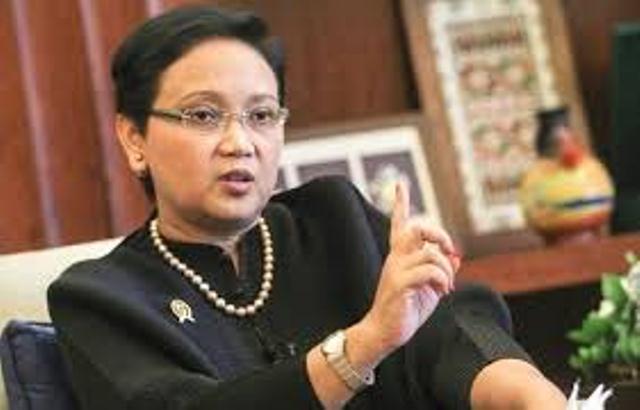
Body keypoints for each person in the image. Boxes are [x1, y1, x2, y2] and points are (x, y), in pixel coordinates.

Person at [48, 5, 567, 409]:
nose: (239, 143)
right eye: (204, 116)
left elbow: (447, 333)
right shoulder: (99, 299)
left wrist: (528, 393)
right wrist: (364, 344)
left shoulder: (333, 218)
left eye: (261, 115)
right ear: (134, 138)